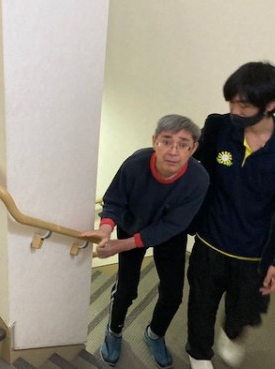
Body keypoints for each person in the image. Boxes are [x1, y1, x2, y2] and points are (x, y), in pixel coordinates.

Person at [186, 61, 275, 369]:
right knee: (200, 303)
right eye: (231, 102)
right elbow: (190, 165)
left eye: (243, 106)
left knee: (243, 310)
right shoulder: (219, 129)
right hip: (211, 241)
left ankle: (231, 333)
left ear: (269, 105)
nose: (235, 111)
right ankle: (198, 353)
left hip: (256, 254)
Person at [81, 114, 209, 368]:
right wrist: (106, 229)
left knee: (173, 294)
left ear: (193, 148)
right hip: (132, 224)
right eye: (166, 141)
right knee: (126, 288)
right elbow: (114, 200)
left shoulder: (198, 179)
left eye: (183, 144)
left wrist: (123, 245)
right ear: (154, 141)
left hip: (170, 235)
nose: (173, 151)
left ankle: (155, 334)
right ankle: (114, 331)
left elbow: (174, 224)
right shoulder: (135, 165)